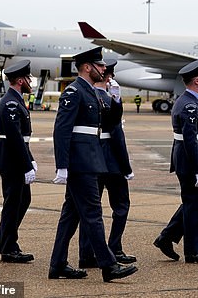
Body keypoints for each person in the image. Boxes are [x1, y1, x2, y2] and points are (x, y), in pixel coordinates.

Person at [48, 46, 137, 282]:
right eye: (100, 66)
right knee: (93, 213)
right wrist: (62, 165)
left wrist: (116, 100)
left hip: (89, 158)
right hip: (81, 161)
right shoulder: (74, 91)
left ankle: (57, 265)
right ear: (87, 67)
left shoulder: (92, 92)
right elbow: (62, 129)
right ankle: (109, 266)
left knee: (71, 215)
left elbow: (110, 121)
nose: (104, 69)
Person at [153, 60, 198, 264]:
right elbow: (190, 140)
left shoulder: (188, 100)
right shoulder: (190, 104)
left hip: (188, 158)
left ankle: (167, 237)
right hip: (190, 160)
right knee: (194, 207)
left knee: (191, 203)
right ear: (197, 80)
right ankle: (194, 251)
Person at [78, 59, 136, 267]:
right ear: (109, 76)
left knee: (91, 209)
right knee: (121, 205)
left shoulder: (88, 96)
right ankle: (114, 247)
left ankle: (87, 252)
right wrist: (126, 166)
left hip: (92, 159)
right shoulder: (110, 100)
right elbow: (117, 136)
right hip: (111, 161)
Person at [0, 60, 37, 263]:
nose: (30, 82)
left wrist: (30, 160)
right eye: (28, 79)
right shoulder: (11, 103)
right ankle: (8, 248)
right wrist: (26, 164)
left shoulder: (15, 99)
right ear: (20, 80)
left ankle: (0, 241)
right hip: (11, 157)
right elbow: (15, 137)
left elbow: (22, 139)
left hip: (16, 155)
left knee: (21, 200)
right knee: (13, 203)